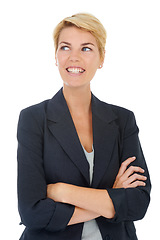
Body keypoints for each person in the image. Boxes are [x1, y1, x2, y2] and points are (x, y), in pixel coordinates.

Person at [17, 13, 151, 240]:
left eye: (86, 48)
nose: (74, 58)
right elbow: (32, 213)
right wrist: (113, 197)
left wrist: (63, 191)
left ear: (101, 58)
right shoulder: (33, 118)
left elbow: (138, 203)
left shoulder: (122, 120)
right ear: (56, 55)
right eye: (65, 47)